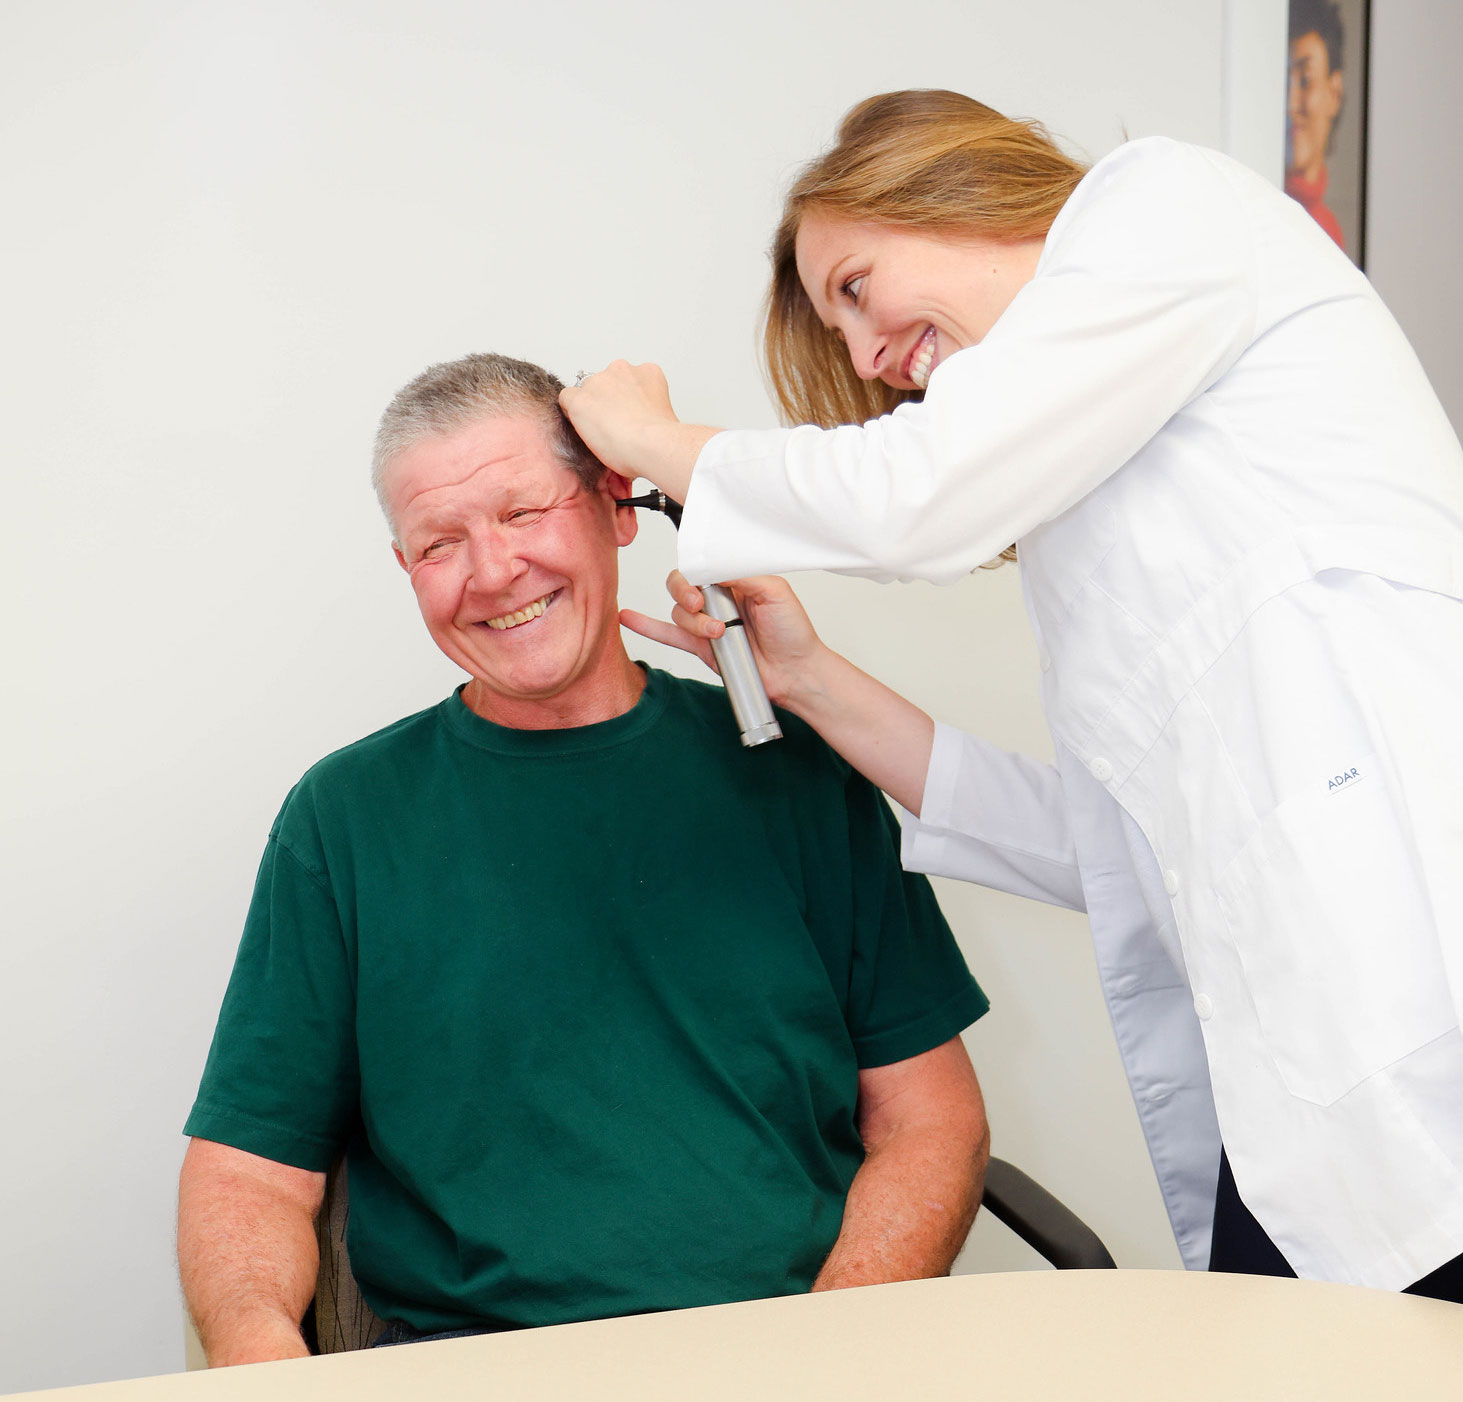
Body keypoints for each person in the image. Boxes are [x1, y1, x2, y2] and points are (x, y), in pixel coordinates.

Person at [560, 89, 1463, 1299]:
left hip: (1416, 1015)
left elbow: (919, 493)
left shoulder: (1167, 207)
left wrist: (648, 435)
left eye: (853, 289)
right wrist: (810, 681)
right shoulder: (1090, 513)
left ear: (947, 189)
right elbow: (1105, 847)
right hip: (1312, 1100)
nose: (865, 357)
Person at [176, 352, 991, 1366]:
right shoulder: (343, 817)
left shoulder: (795, 770)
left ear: (617, 506)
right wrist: (261, 1365)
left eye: (521, 512)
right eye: (440, 543)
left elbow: (929, 1121)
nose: (491, 572)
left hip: (787, 1346)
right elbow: (249, 1172)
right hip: (475, 1366)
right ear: (405, 568)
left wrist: (827, 1350)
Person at [1286, 0, 1348, 251]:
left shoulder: (1329, 233)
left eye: (1305, 80)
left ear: (1334, 93)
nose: (1290, 104)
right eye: (1281, 81)